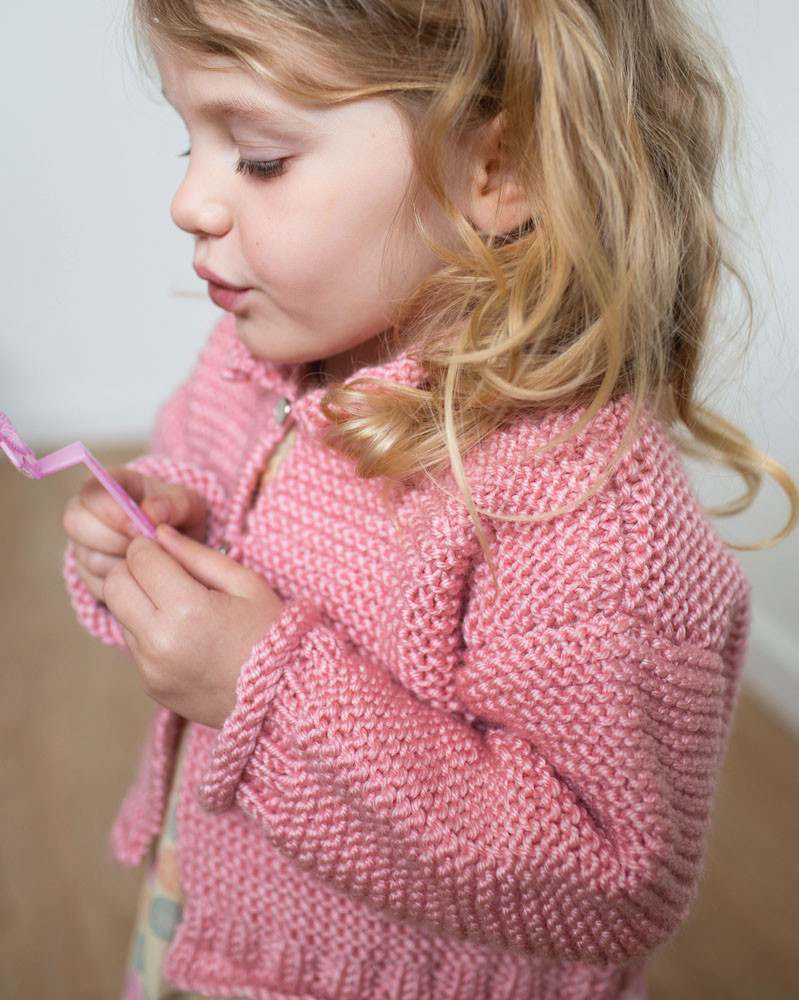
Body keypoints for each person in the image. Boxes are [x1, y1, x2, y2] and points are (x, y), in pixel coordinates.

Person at [60, 2, 798, 999]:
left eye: (261, 158)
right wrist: (149, 525)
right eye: (189, 142)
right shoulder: (254, 361)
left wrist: (259, 696)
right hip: (209, 921)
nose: (189, 201)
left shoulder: (585, 515)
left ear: (502, 167)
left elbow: (612, 877)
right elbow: (198, 469)